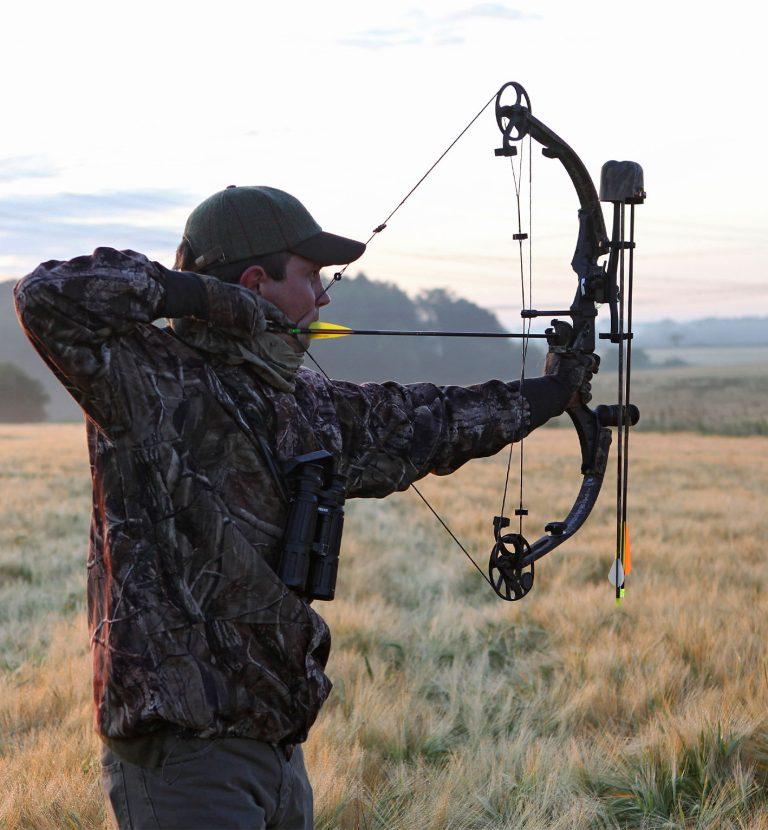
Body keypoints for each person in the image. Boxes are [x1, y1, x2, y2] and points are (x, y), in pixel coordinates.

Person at [13, 185, 593, 829]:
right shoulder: (144, 380)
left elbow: (430, 421)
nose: (323, 297)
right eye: (311, 275)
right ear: (255, 282)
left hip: (279, 753)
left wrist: (553, 390)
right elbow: (45, 297)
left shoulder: (305, 403)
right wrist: (204, 296)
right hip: (186, 759)